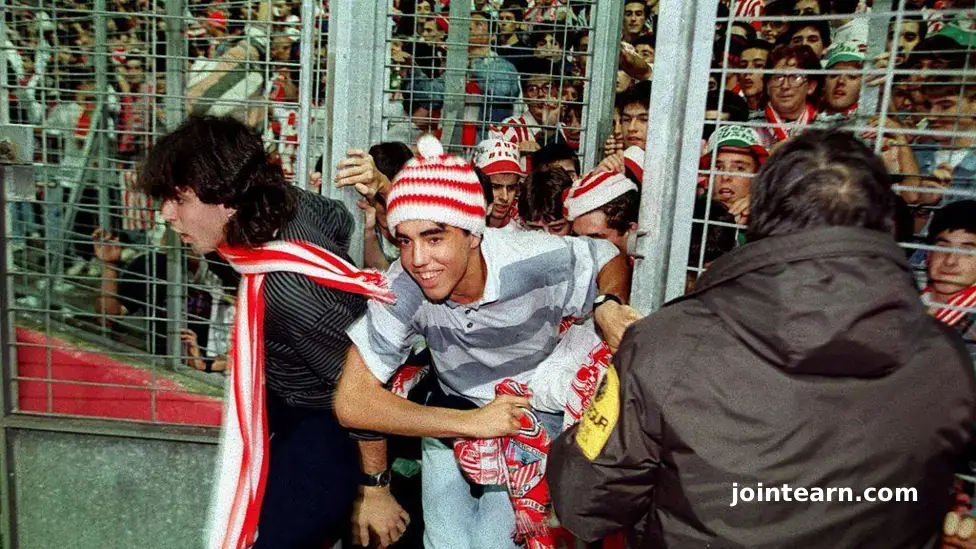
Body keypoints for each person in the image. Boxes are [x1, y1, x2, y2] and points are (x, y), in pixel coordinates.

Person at [549, 129, 976, 548]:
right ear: (885, 224)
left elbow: (584, 501)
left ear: (759, 216)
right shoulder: (944, 358)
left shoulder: (667, 344)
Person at [334, 135, 639, 549]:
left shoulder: (530, 258)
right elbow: (354, 400)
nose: (418, 259)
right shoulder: (405, 286)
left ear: (474, 236)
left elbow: (607, 255)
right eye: (405, 240)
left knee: (492, 542)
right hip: (453, 410)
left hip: (527, 414)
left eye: (434, 237)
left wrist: (606, 303)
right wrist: (379, 485)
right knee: (445, 543)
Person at [138, 116, 403, 549]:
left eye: (178, 199)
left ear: (225, 197)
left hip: (329, 412)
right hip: (284, 389)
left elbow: (366, 384)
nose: (166, 214)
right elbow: (337, 217)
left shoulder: (290, 290)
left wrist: (375, 486)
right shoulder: (276, 208)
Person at [923, 200, 976, 365]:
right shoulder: (902, 303)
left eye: (967, 251)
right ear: (928, 255)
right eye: (943, 247)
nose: (950, 261)